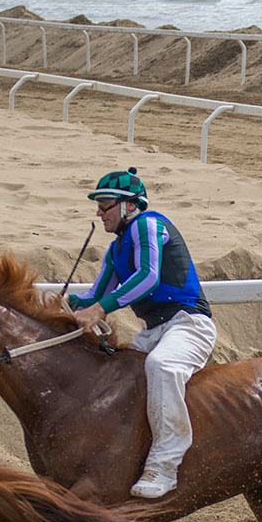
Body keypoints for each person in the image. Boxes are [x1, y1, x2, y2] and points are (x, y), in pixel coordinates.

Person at [66, 167, 217, 499]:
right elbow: (92, 296)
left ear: (129, 206)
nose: (98, 212)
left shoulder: (148, 225)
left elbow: (148, 277)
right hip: (155, 331)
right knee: (118, 377)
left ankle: (165, 466)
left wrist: (100, 309)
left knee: (160, 367)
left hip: (189, 324)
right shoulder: (115, 249)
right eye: (99, 205)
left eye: (105, 204)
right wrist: (63, 304)